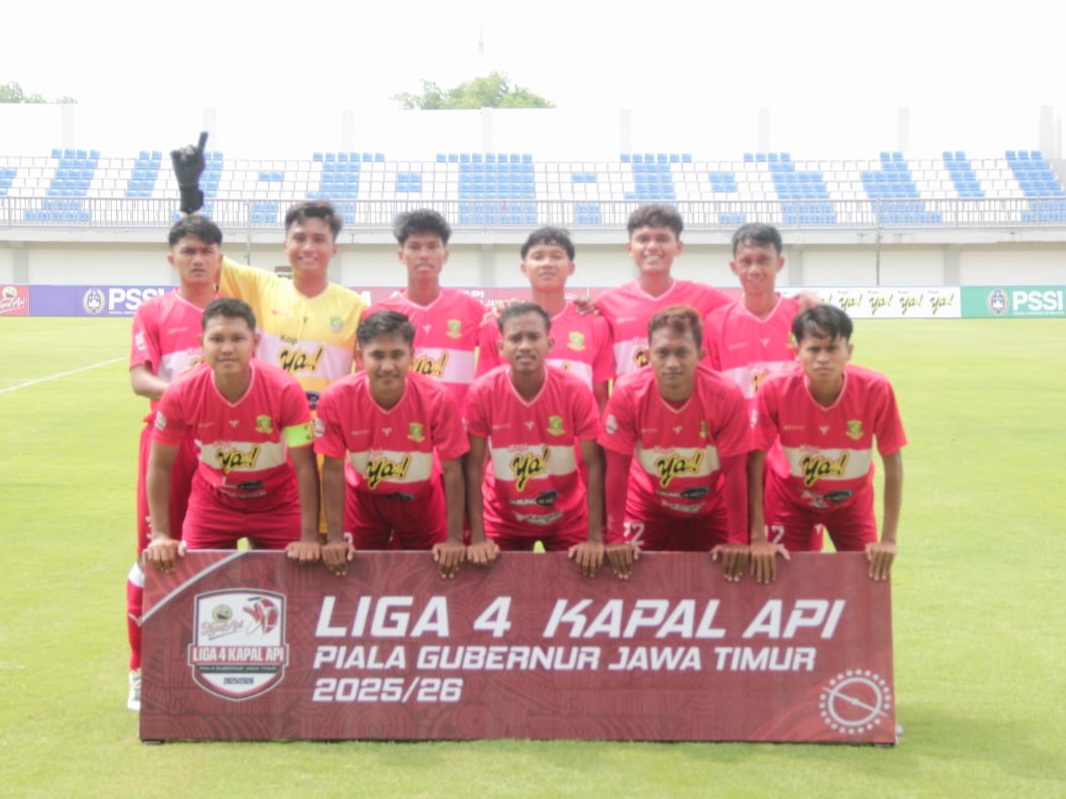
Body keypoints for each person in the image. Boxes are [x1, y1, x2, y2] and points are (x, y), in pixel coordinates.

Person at [144, 298, 321, 571]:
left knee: (297, 580)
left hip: (278, 501)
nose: (227, 348)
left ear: (255, 341)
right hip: (213, 500)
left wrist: (309, 537)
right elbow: (159, 464)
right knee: (196, 580)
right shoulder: (180, 392)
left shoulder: (285, 390)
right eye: (217, 339)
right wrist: (160, 534)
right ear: (201, 342)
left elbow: (304, 465)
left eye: (237, 338)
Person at [124, 215, 220, 711]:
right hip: (167, 442)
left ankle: (212, 658)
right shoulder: (153, 311)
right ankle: (142, 669)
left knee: (219, 549)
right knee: (155, 551)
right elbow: (140, 380)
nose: (197, 258)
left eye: (206, 250)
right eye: (188, 250)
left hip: (225, 443)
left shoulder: (233, 315)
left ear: (220, 258)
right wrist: (188, 397)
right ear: (172, 259)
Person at [748, 305, 906, 583]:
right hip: (789, 500)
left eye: (832, 348)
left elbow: (893, 462)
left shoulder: (876, 389)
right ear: (797, 352)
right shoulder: (774, 389)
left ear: (849, 351)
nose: (823, 358)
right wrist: (758, 536)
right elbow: (754, 459)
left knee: (867, 578)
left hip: (851, 501)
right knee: (778, 579)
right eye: (813, 349)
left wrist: (889, 538)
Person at [597, 305, 751, 581]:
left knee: (730, 580)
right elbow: (616, 470)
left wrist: (738, 539)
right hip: (646, 504)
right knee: (626, 580)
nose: (672, 363)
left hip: (711, 507)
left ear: (700, 355)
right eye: (662, 353)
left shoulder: (726, 395)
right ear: (647, 356)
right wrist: (614, 536)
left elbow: (735, 472)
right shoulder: (627, 393)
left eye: (682, 353)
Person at [313, 310, 469, 578]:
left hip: (421, 502)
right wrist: (335, 537)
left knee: (434, 576)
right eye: (377, 355)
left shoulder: (438, 398)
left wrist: (454, 538)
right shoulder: (336, 398)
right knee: (353, 576)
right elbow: (332, 469)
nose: (387, 365)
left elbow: (453, 469)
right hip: (364, 503)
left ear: (412, 354)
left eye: (397, 355)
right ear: (360, 357)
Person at [464, 303, 604, 567]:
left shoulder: (575, 390)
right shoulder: (482, 391)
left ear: (550, 344)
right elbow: (473, 467)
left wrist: (594, 538)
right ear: (501, 347)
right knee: (489, 585)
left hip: (567, 517)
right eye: (515, 338)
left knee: (581, 584)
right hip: (502, 518)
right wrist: (478, 538)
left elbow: (595, 464)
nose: (525, 346)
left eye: (534, 337)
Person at [476, 226, 613, 413]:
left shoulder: (595, 324)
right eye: (538, 257)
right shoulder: (497, 324)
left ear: (571, 268)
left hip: (577, 440)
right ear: (524, 269)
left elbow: (601, 398)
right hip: (516, 439)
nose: (547, 263)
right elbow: (484, 395)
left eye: (556, 256)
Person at [595, 205, 731, 379]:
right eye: (643, 239)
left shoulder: (708, 298)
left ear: (678, 247)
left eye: (662, 239)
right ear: (630, 249)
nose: (652, 246)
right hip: (632, 405)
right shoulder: (606, 303)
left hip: (690, 404)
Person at [368, 209, 487, 406]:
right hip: (401, 427)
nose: (423, 254)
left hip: (455, 430)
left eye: (432, 246)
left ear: (445, 255)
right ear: (401, 255)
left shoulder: (470, 308)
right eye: (414, 247)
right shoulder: (378, 314)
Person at [703, 223, 800, 420]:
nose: (754, 270)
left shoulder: (801, 316)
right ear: (734, 267)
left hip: (791, 445)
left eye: (763, 260)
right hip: (738, 443)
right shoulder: (714, 323)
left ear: (780, 263)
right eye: (746, 261)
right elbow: (707, 391)